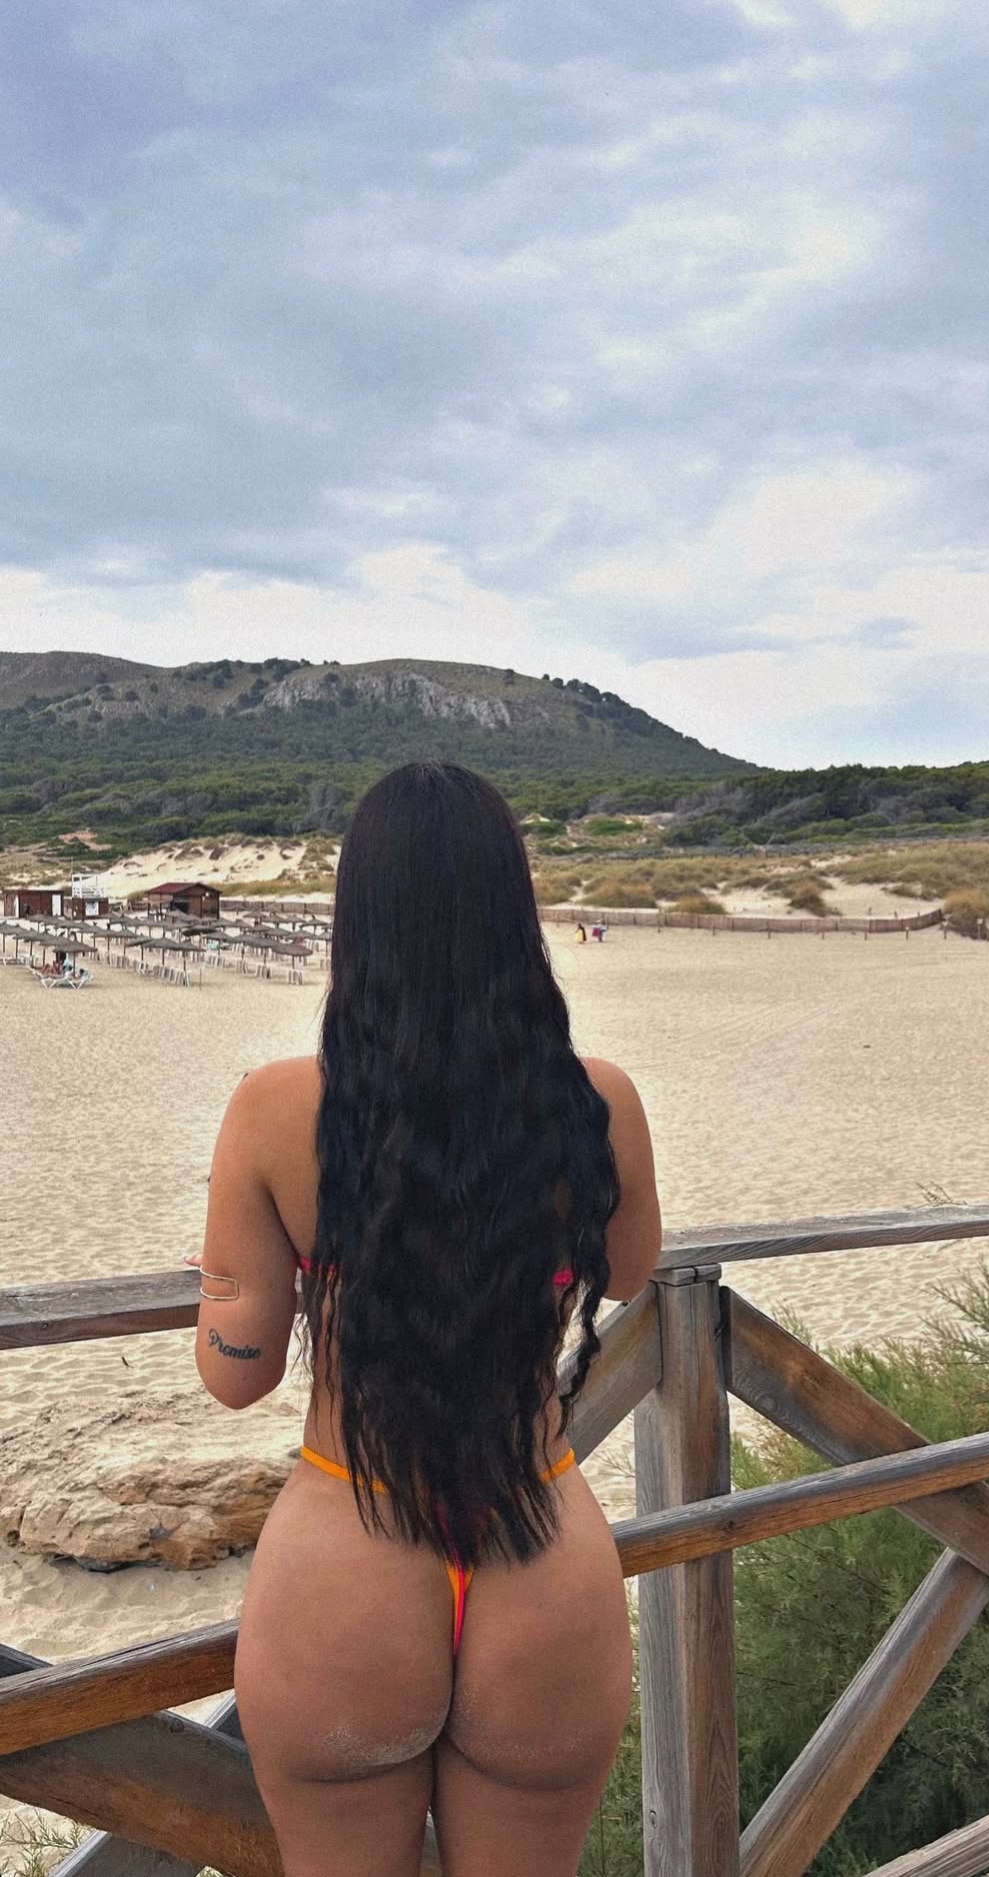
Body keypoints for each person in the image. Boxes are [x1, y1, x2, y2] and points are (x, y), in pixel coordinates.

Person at [195, 762, 661, 1877]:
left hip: (349, 1552)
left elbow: (236, 1371)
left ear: (359, 921)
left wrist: (232, 1287)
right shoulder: (598, 1101)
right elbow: (631, 1271)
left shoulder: (275, 1106)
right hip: (539, 1548)